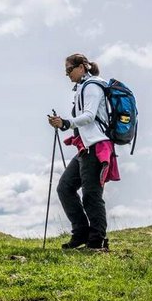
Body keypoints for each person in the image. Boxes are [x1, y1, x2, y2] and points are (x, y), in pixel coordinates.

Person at [48, 54, 119, 250]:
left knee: (91, 195)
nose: (67, 74)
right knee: (65, 188)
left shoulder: (93, 86)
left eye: (69, 70)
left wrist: (66, 123)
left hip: (97, 147)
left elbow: (89, 116)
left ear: (81, 67)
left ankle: (97, 241)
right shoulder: (82, 88)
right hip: (85, 148)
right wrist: (64, 125)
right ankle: (81, 234)